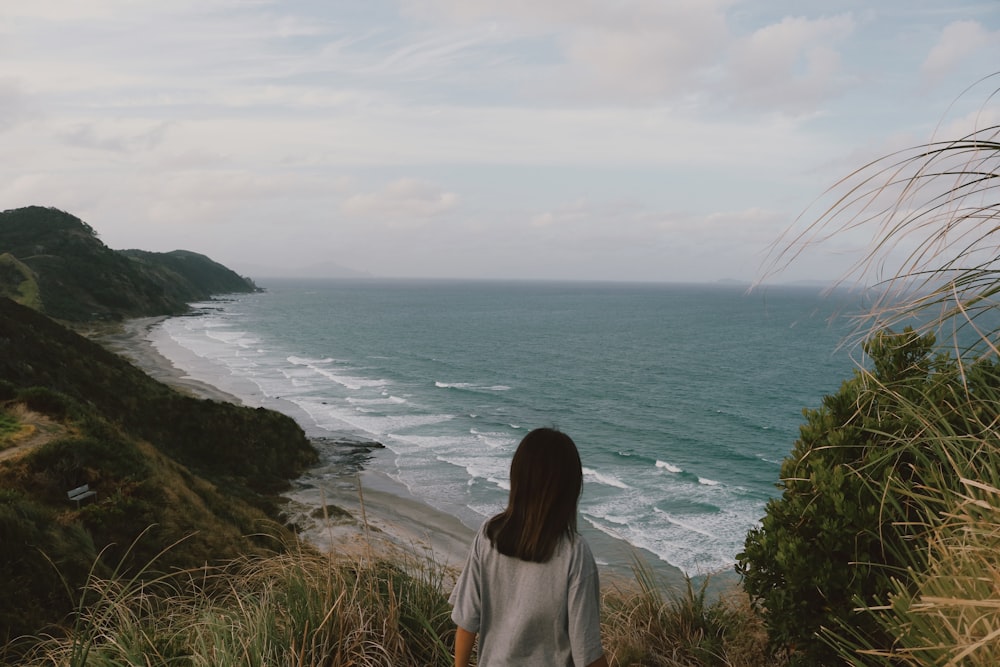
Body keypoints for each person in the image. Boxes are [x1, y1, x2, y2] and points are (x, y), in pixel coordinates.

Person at [449, 427, 609, 667]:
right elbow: (587, 654)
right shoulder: (575, 553)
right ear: (569, 488)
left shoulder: (490, 534)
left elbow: (466, 623)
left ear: (518, 479)